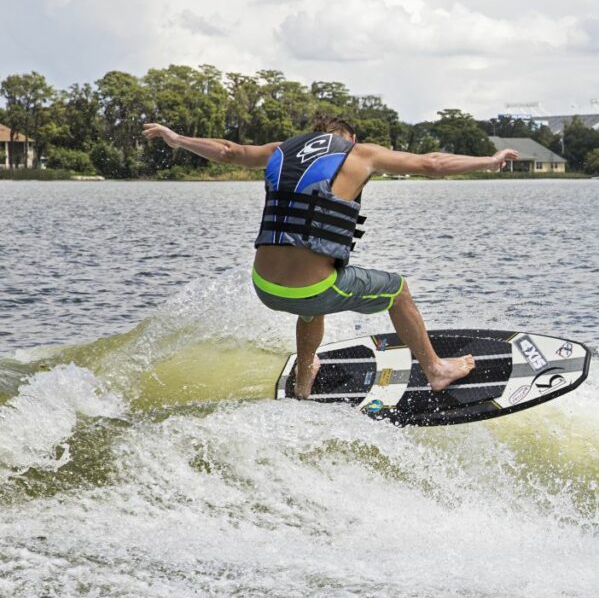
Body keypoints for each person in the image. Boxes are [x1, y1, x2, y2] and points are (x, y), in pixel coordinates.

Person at [142, 115, 517, 398]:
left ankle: (305, 376)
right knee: (397, 290)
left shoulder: (281, 149)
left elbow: (227, 151)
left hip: (265, 287)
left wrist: (177, 139)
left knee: (312, 293)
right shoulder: (360, 154)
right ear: (351, 138)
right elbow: (432, 164)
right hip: (311, 287)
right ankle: (436, 369)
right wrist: (488, 160)